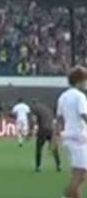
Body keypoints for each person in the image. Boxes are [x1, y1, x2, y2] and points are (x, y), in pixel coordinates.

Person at [58, 66, 87, 198]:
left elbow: (59, 119)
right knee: (80, 175)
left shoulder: (63, 96)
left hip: (68, 138)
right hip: (78, 138)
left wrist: (55, 137)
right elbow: (84, 115)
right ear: (80, 80)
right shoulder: (80, 96)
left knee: (77, 174)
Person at [32, 97, 62, 173]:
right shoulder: (47, 108)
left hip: (43, 129)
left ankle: (38, 166)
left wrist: (31, 129)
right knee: (54, 147)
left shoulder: (35, 108)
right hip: (51, 129)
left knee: (39, 148)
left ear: (33, 103)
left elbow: (34, 119)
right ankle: (58, 165)